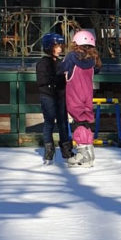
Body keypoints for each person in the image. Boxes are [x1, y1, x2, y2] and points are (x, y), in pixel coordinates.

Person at [62, 29, 102, 168]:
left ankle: (82, 154)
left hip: (74, 95)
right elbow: (96, 70)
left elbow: (62, 70)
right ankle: (89, 153)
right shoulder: (93, 60)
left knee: (78, 123)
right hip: (87, 96)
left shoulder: (71, 57)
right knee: (85, 122)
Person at [36, 32, 72, 164]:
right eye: (57, 46)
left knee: (63, 122)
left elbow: (64, 80)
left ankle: (66, 150)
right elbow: (42, 82)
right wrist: (57, 80)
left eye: (60, 46)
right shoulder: (42, 63)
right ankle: (49, 151)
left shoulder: (61, 62)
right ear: (49, 47)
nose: (60, 49)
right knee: (49, 122)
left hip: (60, 96)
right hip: (49, 96)